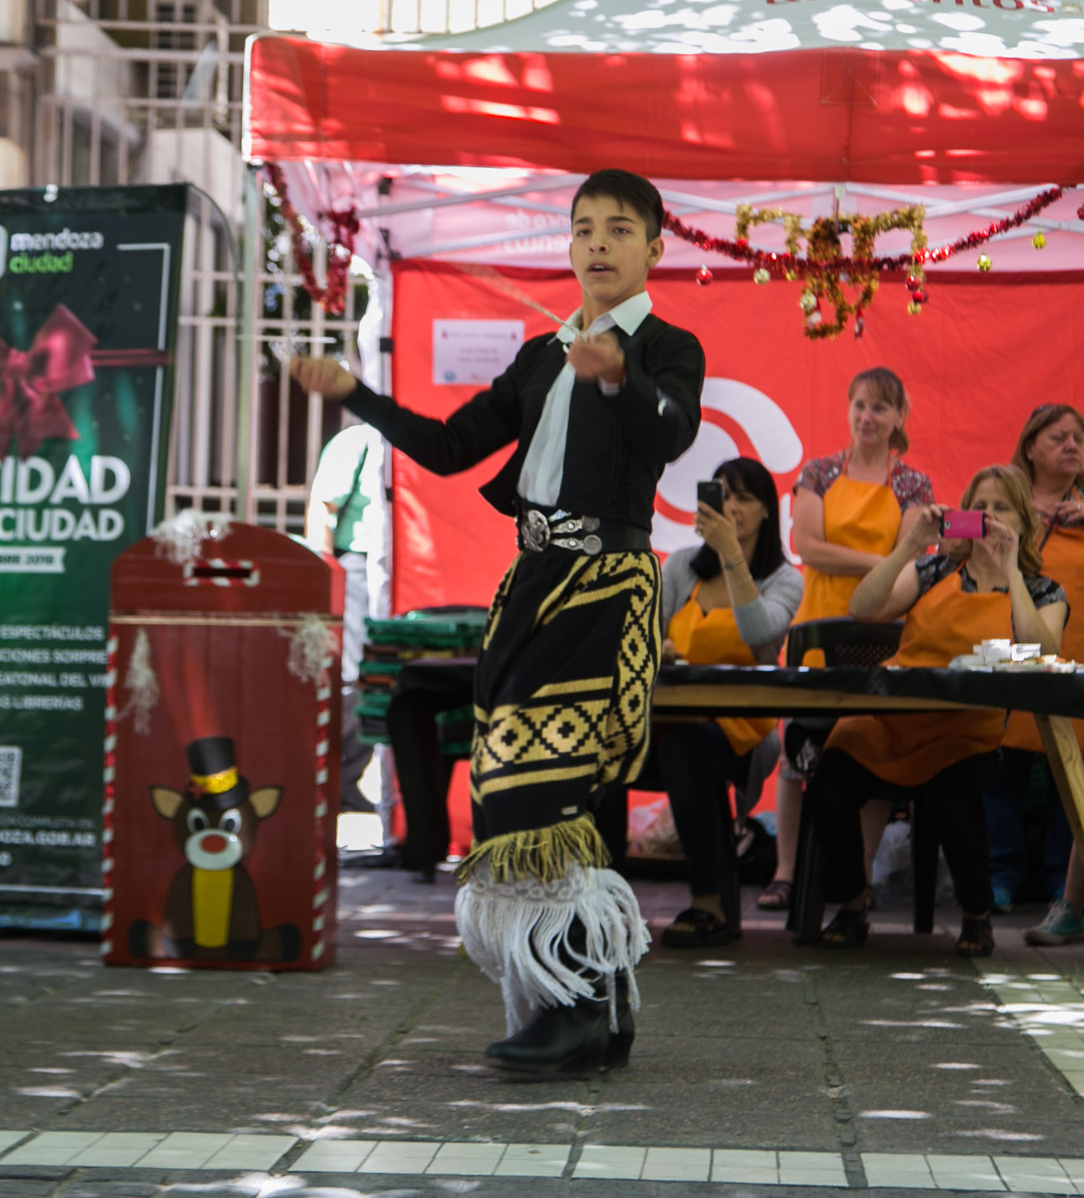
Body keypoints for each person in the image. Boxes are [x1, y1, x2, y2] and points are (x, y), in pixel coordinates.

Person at [290, 168, 704, 1075]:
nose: (598, 243)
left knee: (544, 793)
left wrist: (619, 377)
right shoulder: (540, 356)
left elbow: (671, 432)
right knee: (534, 791)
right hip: (531, 587)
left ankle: (575, 1004)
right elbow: (448, 449)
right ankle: (596, 1005)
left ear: (653, 248)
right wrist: (355, 394)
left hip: (604, 587)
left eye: (619, 229)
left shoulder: (668, 348)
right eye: (584, 228)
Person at [810, 466, 1067, 957]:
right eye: (980, 506)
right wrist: (911, 545)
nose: (989, 516)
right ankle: (852, 902)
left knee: (954, 796)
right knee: (830, 783)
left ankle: (976, 915)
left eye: (1002, 508)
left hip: (965, 733)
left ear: (1023, 522)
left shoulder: (1042, 591)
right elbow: (863, 608)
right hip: (890, 720)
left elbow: (1040, 651)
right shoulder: (933, 571)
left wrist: (1012, 571)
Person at [760, 367, 934, 913]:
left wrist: (887, 565)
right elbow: (809, 546)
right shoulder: (818, 473)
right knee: (797, 752)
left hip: (882, 634)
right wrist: (883, 561)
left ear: (900, 417)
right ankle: (786, 872)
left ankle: (860, 873)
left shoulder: (913, 485)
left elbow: (915, 557)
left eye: (880, 407)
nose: (867, 417)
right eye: (859, 405)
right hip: (816, 630)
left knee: (870, 749)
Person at [653, 457, 802, 947]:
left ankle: (709, 904)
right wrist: (662, 648)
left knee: (687, 747)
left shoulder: (784, 580)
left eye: (743, 497)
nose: (731, 506)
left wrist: (731, 554)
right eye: (722, 495)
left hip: (743, 730)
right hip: (670, 716)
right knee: (608, 744)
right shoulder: (679, 568)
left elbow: (758, 633)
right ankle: (603, 901)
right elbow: (645, 639)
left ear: (767, 510)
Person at [991, 405, 1084, 926]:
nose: (1073, 446)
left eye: (1080, 438)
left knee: (1073, 774)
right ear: (1030, 447)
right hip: (1019, 650)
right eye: (1059, 437)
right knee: (1002, 770)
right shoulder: (1005, 501)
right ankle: (997, 876)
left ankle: (1064, 883)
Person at [305, 420, 389, 820]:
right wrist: (324, 577)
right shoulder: (358, 440)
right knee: (352, 676)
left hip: (402, 567)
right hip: (356, 565)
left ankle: (347, 780)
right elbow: (323, 506)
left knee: (382, 679)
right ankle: (323, 777)